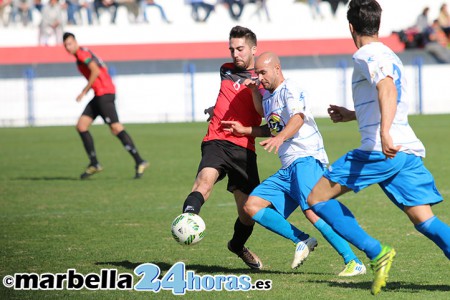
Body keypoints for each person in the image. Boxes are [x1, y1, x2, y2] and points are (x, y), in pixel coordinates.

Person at [306, 0, 450, 295]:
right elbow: (388, 95)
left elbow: (386, 87)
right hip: (404, 149)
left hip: (380, 149)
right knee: (425, 220)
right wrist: (353, 114)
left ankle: (376, 251)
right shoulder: (389, 54)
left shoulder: (366, 54)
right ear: (377, 24)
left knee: (317, 199)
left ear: (350, 27)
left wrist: (383, 133)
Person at [222, 52, 366, 276]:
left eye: (263, 72)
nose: (260, 78)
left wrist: (280, 138)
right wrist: (246, 129)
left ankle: (353, 261)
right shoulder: (268, 96)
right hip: (288, 167)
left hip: (307, 158)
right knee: (252, 206)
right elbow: (272, 126)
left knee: (313, 210)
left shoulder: (291, 88)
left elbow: (297, 118)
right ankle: (302, 239)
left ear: (277, 69)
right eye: (257, 73)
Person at [180, 26, 264, 269]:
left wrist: (254, 90)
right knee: (203, 183)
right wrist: (214, 109)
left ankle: (237, 246)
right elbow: (227, 97)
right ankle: (187, 220)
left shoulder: (262, 78)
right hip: (216, 140)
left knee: (248, 214)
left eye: (240, 49)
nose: (235, 54)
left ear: (253, 49)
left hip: (244, 147)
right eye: (232, 49)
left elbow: (261, 114)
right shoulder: (225, 70)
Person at [62, 32, 149, 180]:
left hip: (104, 94)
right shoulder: (84, 52)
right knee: (82, 126)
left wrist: (84, 91)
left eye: (70, 44)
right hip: (99, 94)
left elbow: (95, 70)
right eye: (65, 45)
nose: (68, 47)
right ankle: (94, 163)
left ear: (75, 42)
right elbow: (103, 66)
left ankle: (139, 161)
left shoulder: (82, 54)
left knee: (116, 128)